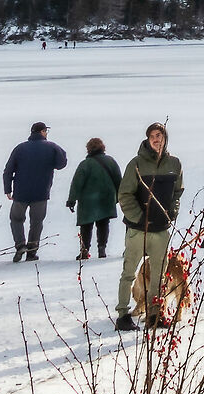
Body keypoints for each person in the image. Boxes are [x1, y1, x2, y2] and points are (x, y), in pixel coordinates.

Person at [116, 123, 183, 331]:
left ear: (165, 138)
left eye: (160, 135)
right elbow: (124, 195)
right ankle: (122, 315)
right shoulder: (135, 164)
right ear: (147, 139)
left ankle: (155, 313)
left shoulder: (174, 164)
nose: (157, 139)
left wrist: (171, 214)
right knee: (129, 272)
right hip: (137, 230)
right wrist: (138, 218)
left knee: (159, 274)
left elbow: (177, 193)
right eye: (153, 136)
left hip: (161, 230)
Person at [4, 122, 70, 262]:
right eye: (46, 131)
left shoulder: (20, 148)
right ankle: (32, 251)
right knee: (37, 222)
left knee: (16, 219)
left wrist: (7, 189)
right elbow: (61, 164)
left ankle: (20, 245)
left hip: (21, 192)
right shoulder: (51, 147)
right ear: (42, 132)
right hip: (41, 192)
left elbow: (8, 170)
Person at [67, 138, 121, 260]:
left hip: (88, 201)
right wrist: (120, 197)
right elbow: (118, 180)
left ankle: (84, 250)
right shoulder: (111, 161)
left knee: (86, 226)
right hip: (106, 199)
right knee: (103, 224)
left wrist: (71, 200)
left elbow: (77, 183)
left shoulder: (85, 164)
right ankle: (102, 249)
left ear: (88, 149)